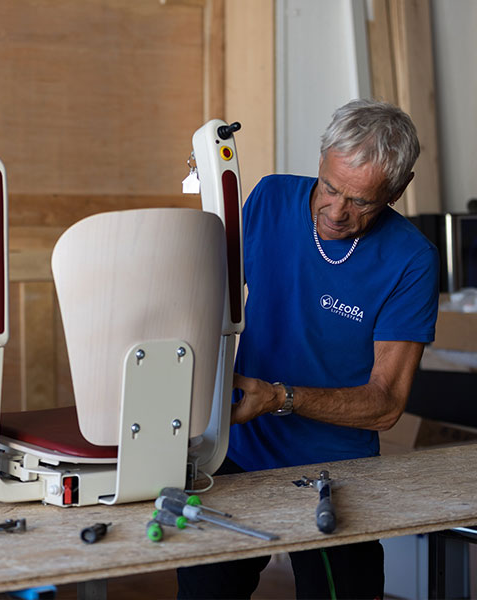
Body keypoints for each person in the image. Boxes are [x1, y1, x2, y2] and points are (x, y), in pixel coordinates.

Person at [178, 99, 439, 599]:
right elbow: (210, 302)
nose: (337, 213)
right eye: (331, 188)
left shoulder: (412, 260)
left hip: (335, 470)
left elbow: (385, 404)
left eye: (362, 202)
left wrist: (278, 397)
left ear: (400, 190)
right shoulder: (272, 197)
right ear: (320, 161)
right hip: (237, 451)